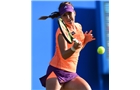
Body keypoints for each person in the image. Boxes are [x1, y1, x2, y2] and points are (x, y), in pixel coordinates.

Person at [39, 1, 96, 90]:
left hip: (71, 74)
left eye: (69, 13)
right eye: (64, 15)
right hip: (56, 71)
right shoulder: (61, 31)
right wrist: (74, 47)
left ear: (74, 13)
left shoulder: (78, 27)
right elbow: (64, 54)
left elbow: (77, 50)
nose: (68, 17)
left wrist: (85, 41)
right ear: (61, 17)